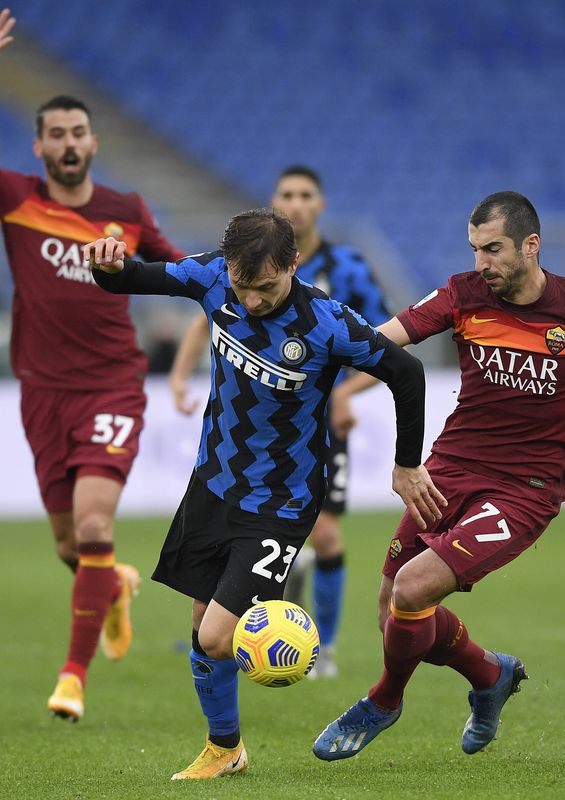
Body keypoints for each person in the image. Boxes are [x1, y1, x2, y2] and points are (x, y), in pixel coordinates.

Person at [312, 191, 565, 761]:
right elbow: (387, 337)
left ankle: (382, 702)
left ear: (531, 246)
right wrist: (316, 350)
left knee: (413, 589)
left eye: (493, 249)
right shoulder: (464, 294)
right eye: (475, 249)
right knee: (391, 608)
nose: (482, 262)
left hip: (525, 491)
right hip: (449, 469)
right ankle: (489, 676)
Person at [82, 208, 446, 779]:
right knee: (205, 621)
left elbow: (407, 373)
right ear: (228, 268)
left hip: (279, 506)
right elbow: (132, 277)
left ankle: (229, 745)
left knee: (216, 633)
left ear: (294, 266)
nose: (251, 301)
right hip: (213, 484)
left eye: (267, 287)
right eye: (243, 287)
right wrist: (106, 266)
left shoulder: (326, 323)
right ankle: (225, 748)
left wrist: (406, 465)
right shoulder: (210, 279)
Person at [0, 8, 188, 722]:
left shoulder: (126, 210)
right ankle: (111, 589)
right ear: (40, 146)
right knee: (70, 549)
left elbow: (179, 268)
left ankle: (72, 676)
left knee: (95, 530)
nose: (70, 144)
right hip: (42, 395)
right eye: (58, 135)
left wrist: (234, 280)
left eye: (79, 133)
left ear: (94, 142)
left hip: (112, 386)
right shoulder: (15, 199)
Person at [168, 165, 390, 678]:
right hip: (247, 433)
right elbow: (208, 321)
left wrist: (346, 394)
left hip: (312, 428)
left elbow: (384, 341)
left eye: (305, 194)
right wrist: (181, 377)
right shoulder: (245, 260)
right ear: (274, 201)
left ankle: (324, 649)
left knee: (328, 537)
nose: (296, 201)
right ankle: (239, 616)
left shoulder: (348, 268)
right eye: (286, 193)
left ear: (321, 204)